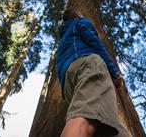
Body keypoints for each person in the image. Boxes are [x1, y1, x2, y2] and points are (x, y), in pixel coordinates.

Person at [56, 9, 132, 137]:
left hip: (67, 84)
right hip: (88, 65)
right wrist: (114, 73)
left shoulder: (63, 38)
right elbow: (96, 43)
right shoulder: (79, 22)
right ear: (79, 15)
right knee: (85, 119)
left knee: (119, 132)